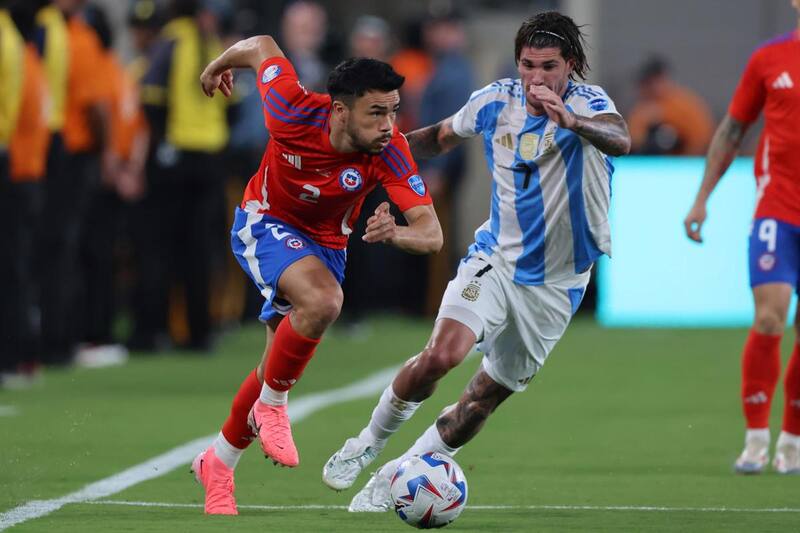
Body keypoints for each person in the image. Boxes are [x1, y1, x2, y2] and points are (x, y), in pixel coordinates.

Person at [322, 11, 631, 511]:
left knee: (478, 404)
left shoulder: (590, 105)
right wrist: (375, 153)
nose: (536, 77)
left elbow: (621, 138)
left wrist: (569, 121)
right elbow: (439, 137)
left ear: (570, 65)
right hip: (496, 262)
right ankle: (366, 445)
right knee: (441, 356)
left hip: (558, 284)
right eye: (527, 65)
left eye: (548, 66)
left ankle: (395, 476)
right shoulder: (495, 101)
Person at [190, 33, 443, 514]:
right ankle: (273, 405)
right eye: (377, 113)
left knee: (274, 362)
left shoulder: (390, 150)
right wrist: (216, 66)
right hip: (265, 221)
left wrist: (394, 234)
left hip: (327, 245)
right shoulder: (292, 109)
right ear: (340, 110)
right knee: (324, 303)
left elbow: (431, 235)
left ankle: (218, 463)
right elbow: (262, 44)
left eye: (393, 111)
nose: (390, 125)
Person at [684, 0, 800, 475]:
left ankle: (791, 441)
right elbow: (733, 129)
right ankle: (755, 439)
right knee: (771, 317)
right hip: (778, 209)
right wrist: (701, 198)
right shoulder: (769, 59)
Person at [627, 56, 714, 155]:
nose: (649, 88)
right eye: (646, 83)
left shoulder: (685, 104)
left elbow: (702, 140)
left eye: (652, 82)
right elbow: (633, 143)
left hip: (685, 164)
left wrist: (665, 116)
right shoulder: (641, 109)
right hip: (651, 165)